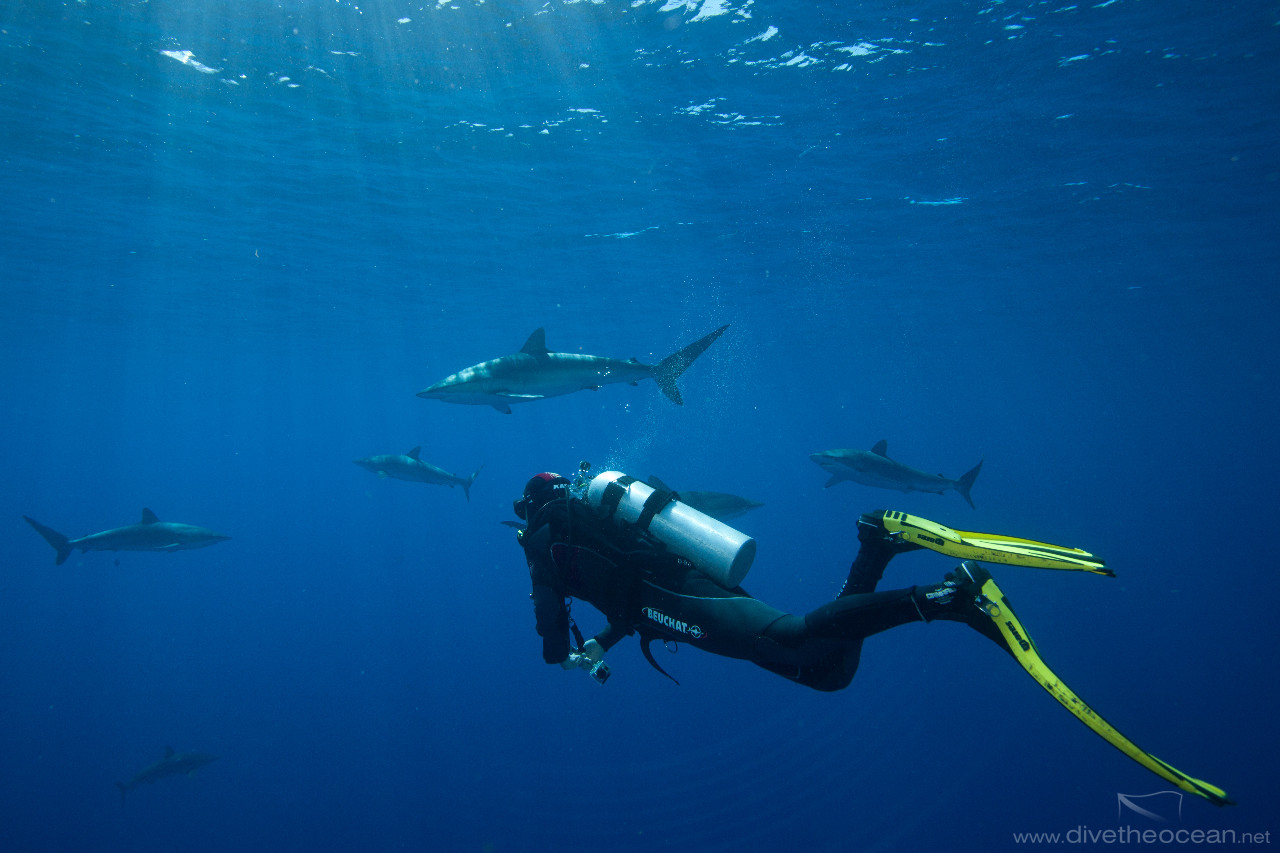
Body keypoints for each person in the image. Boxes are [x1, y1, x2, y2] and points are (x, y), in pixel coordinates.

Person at [511, 470, 1234, 806]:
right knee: (824, 672)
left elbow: (552, 625)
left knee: (796, 636)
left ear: (528, 513)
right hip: (686, 590)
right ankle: (877, 543)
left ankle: (947, 598)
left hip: (678, 601)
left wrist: (558, 651)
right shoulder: (587, 518)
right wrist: (605, 639)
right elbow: (628, 590)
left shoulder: (543, 543)